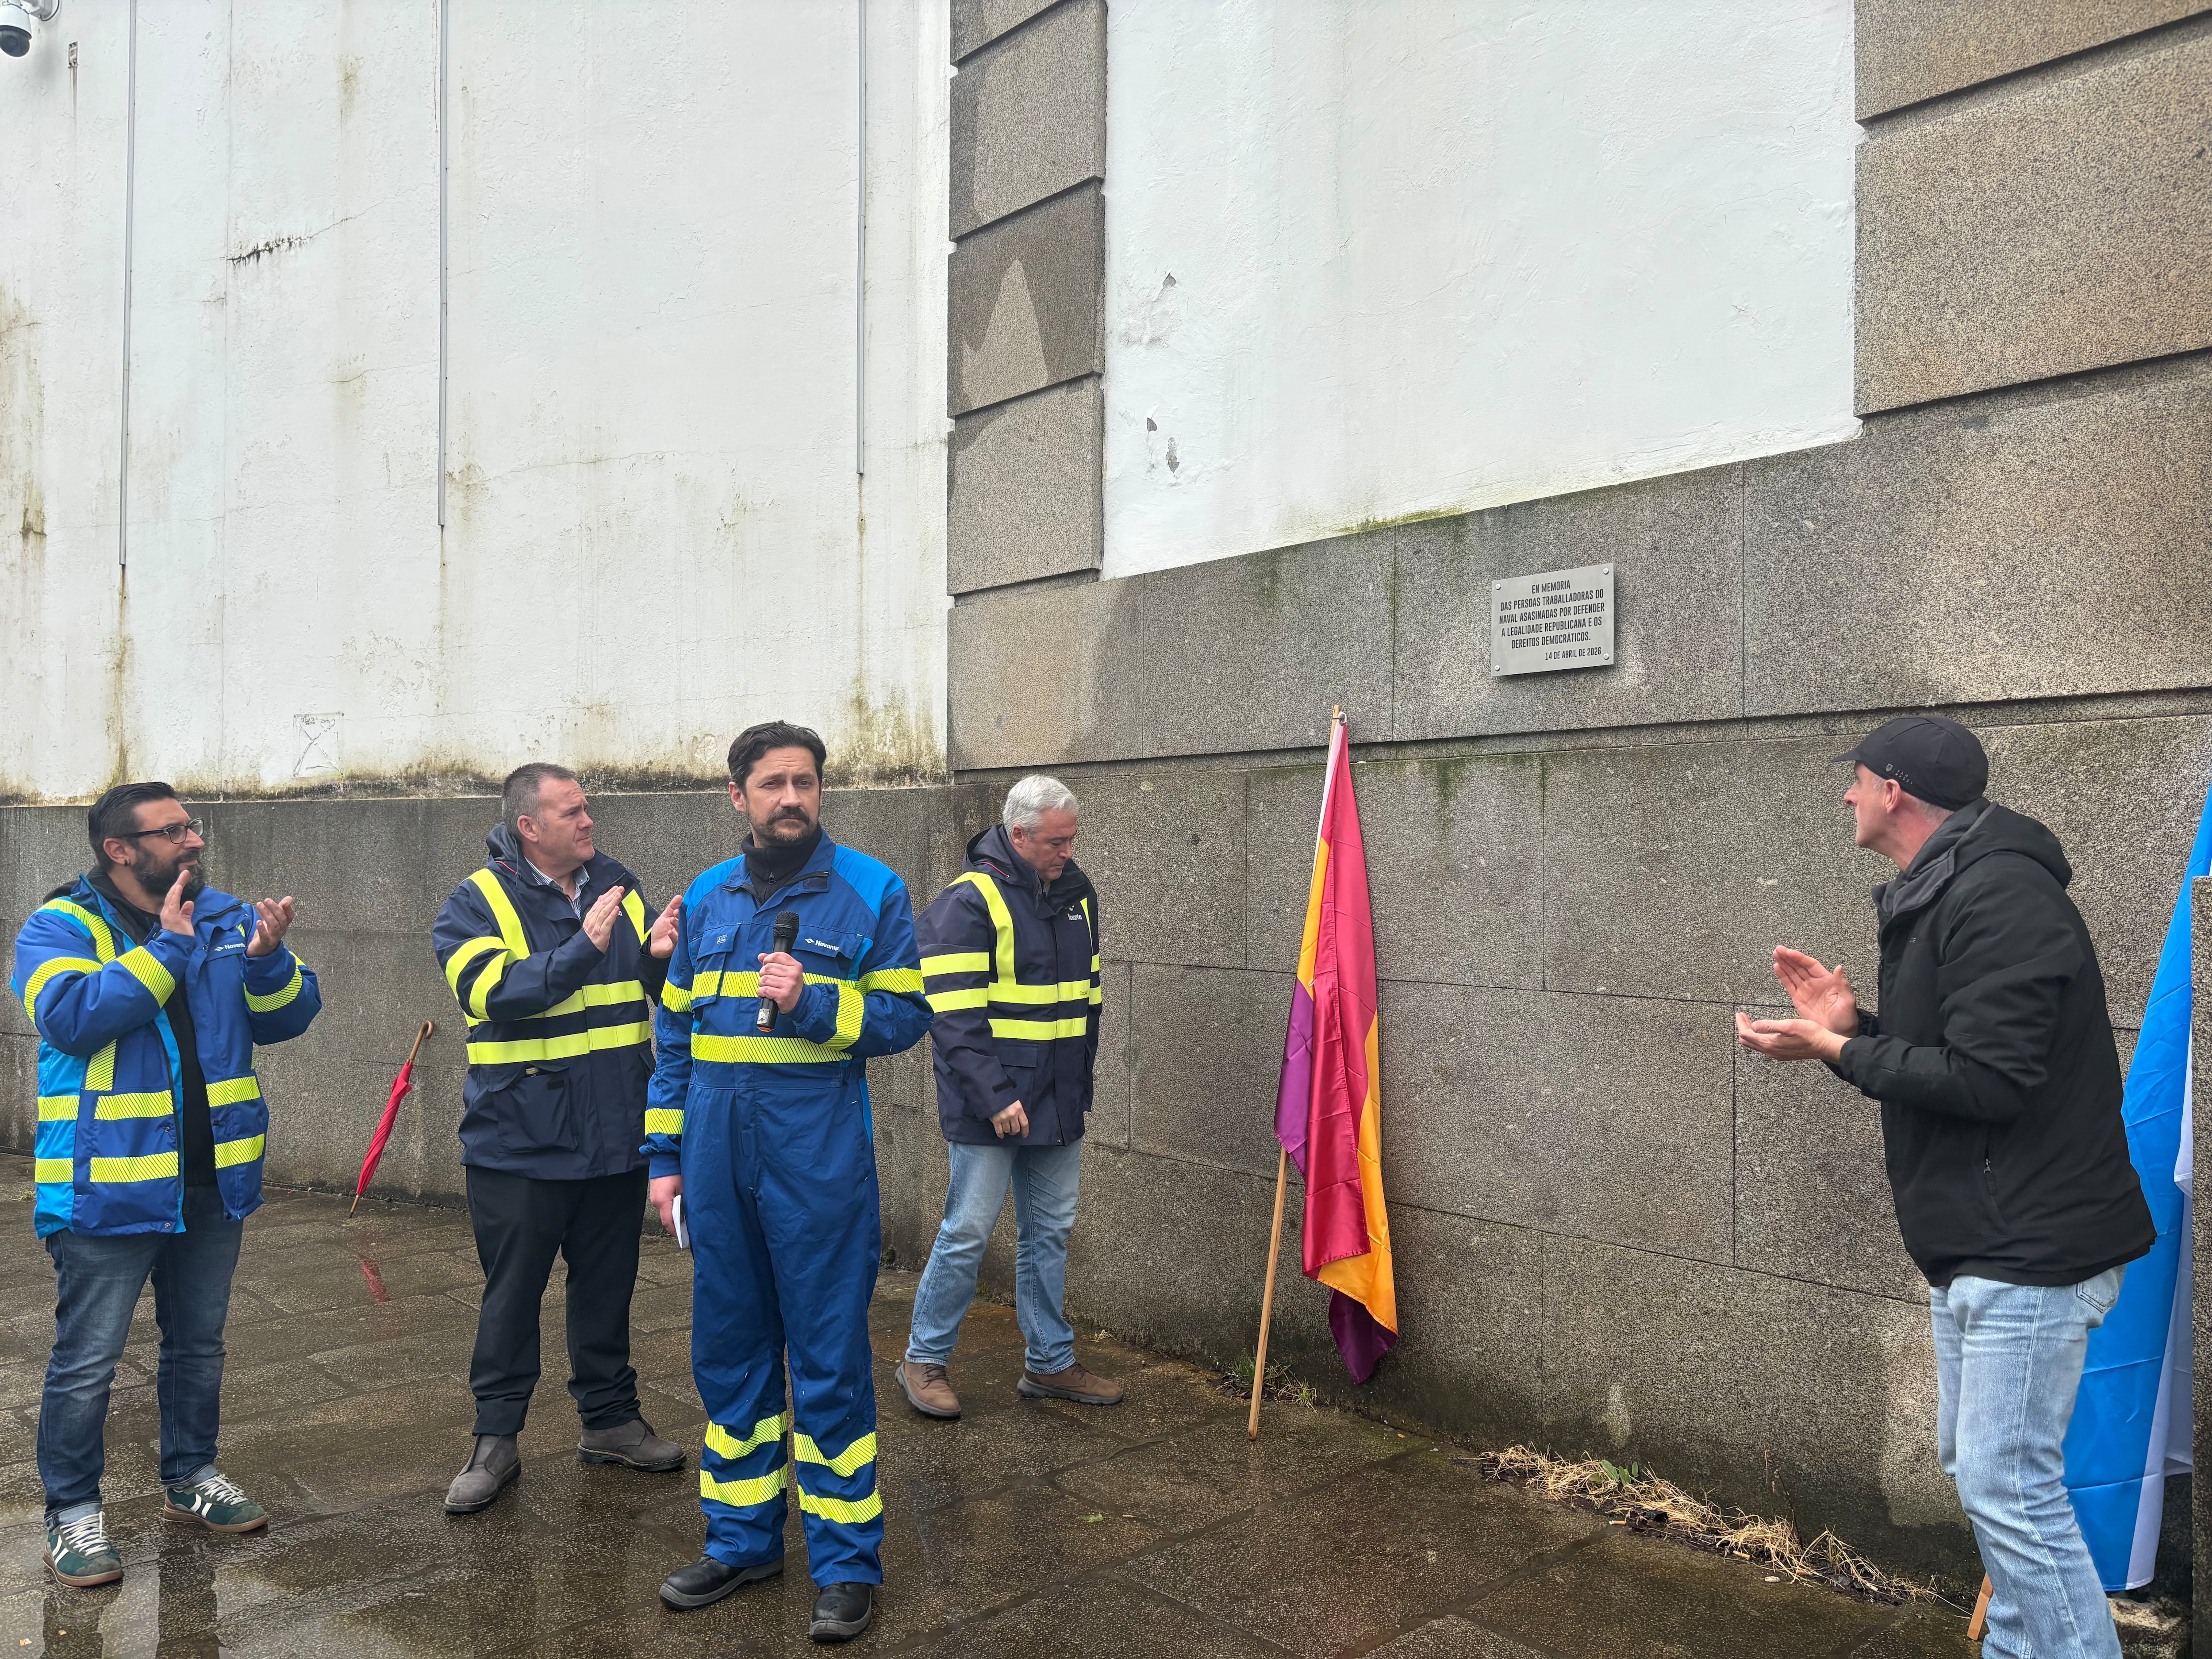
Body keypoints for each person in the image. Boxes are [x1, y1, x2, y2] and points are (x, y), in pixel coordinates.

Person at [1738, 714, 2154, 1659]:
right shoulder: (1949, 889)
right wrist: (1851, 1027)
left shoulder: (1999, 895)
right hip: (1986, 1241)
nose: (1845, 794)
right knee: (1984, 1471)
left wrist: (1836, 1044)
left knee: (2008, 1486)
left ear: (1895, 791)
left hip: (2030, 1250)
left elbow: (1990, 1083)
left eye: (1856, 778)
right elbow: (1960, 1057)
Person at [645, 721, 930, 1644]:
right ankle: (741, 1540)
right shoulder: (705, 896)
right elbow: (676, 1040)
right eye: (771, 784)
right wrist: (664, 1161)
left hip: (818, 1164)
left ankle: (846, 1562)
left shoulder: (872, 891)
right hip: (717, 1162)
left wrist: (812, 999)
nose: (790, 798)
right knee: (727, 1355)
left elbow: (900, 1015)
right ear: (738, 797)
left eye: (803, 782)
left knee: (827, 1360)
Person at [15, 782, 321, 1588]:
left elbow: (289, 1016)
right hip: (109, 1188)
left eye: (193, 826)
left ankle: (191, 1477)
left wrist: (268, 962)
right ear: (120, 848)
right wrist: (167, 949)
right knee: (88, 1360)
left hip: (212, 1178)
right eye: (172, 830)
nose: (193, 840)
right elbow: (72, 1020)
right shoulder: (60, 925)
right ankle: (73, 1514)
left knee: (200, 1346)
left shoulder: (222, 916)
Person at [430, 763, 684, 1514]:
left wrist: (662, 956)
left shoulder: (618, 882)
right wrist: (584, 945)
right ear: (528, 827)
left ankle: (610, 1420)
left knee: (607, 1287)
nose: (588, 821)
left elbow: (648, 989)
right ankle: (495, 1440)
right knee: (511, 1296)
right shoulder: (471, 902)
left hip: (614, 1134)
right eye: (571, 812)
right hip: (521, 1143)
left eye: (588, 809)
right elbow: (496, 994)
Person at [897, 775, 1120, 1419]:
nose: (1068, 852)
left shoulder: (1078, 897)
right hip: (990, 1105)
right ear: (1018, 835)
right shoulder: (967, 902)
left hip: (1057, 1102)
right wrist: (995, 1096)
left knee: (1049, 1233)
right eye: (1056, 841)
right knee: (967, 1231)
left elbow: (1091, 1000)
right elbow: (951, 1014)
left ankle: (1050, 1362)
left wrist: (1079, 1087)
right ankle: (923, 1358)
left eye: (1073, 839)